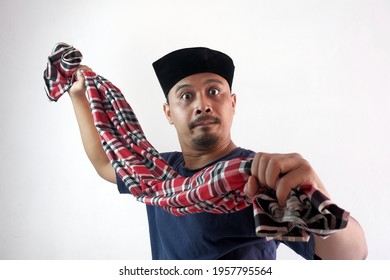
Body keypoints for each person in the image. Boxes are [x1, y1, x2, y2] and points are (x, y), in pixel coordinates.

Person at [68, 47, 367, 260]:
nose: (202, 105)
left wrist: (315, 192)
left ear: (232, 103)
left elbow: (352, 256)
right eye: (186, 96)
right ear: (168, 112)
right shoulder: (156, 173)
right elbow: (105, 162)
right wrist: (79, 95)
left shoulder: (259, 176)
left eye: (214, 92)